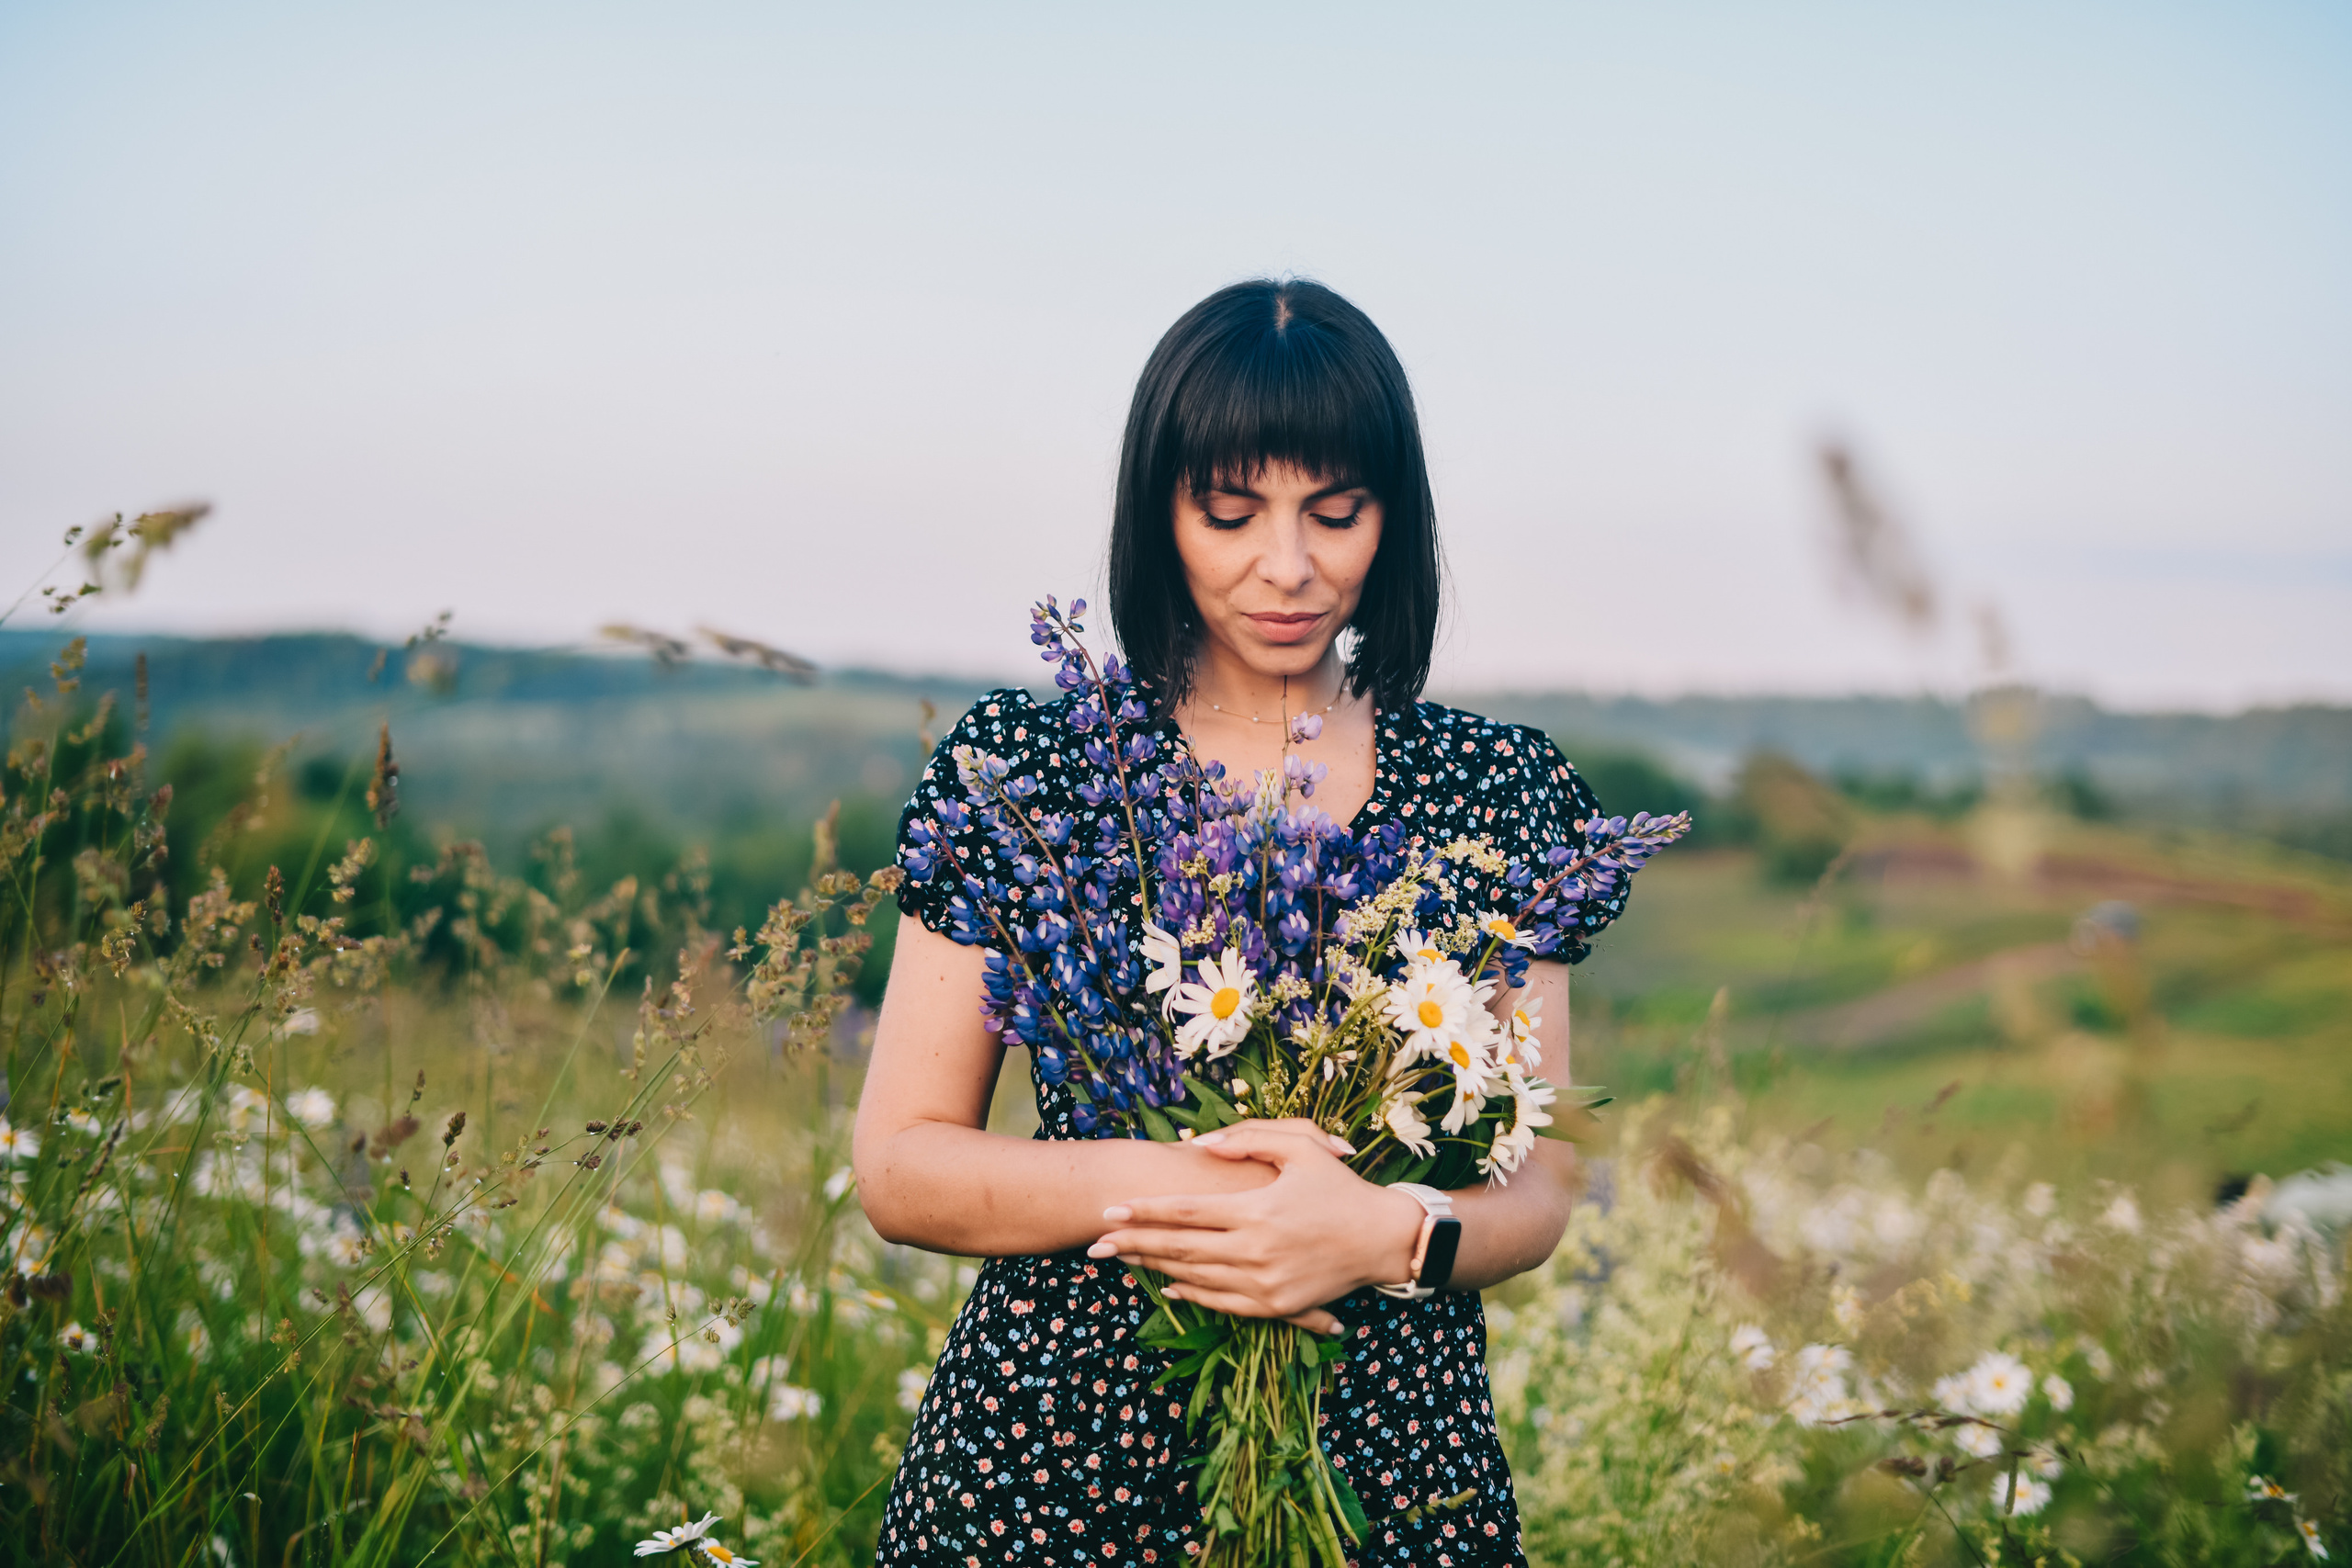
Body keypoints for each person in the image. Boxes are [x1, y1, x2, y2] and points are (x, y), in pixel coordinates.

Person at [854, 278, 1628, 1566]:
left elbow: (1537, 1172)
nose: (1288, 566)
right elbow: (900, 1167)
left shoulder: (1496, 791)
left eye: (1337, 512)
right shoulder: (1032, 771)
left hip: (1392, 1467)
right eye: (1229, 512)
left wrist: (1388, 1232)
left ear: (1397, 518)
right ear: (1159, 514)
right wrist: (1184, 1190)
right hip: (1053, 1466)